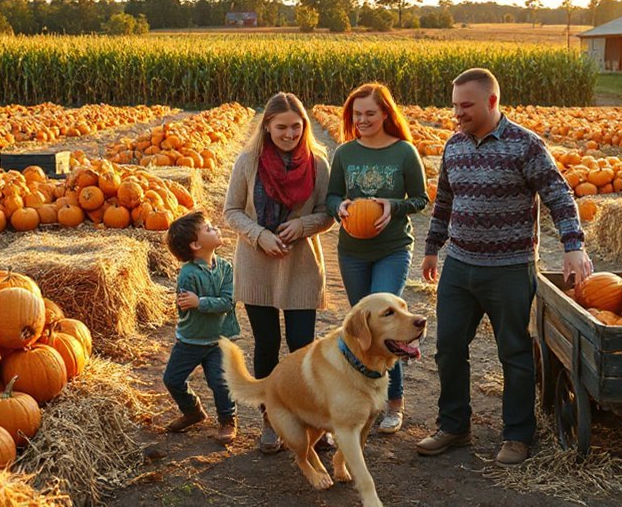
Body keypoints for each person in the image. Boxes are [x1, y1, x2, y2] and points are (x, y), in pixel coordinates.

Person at [415, 68, 593, 466]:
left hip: (510, 268)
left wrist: (573, 245)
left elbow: (559, 194)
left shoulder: (525, 145)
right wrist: (432, 247)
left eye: (466, 105)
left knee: (513, 352)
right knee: (448, 349)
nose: (457, 112)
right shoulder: (453, 146)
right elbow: (444, 201)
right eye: (455, 104)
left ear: (491, 102)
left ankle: (517, 435)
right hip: (459, 265)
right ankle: (454, 426)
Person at [223, 92, 334, 453]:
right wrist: (260, 235)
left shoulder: (318, 164)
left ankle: (312, 422)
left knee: (303, 349)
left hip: (301, 267)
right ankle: (271, 423)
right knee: (267, 346)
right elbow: (232, 211)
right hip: (258, 267)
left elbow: (327, 213)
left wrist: (302, 226)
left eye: (296, 127)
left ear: (304, 127)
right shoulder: (248, 162)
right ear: (267, 126)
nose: (289, 134)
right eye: (282, 127)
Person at [326, 83, 428, 435]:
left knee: (387, 324)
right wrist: (338, 206)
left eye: (370, 113)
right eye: (357, 114)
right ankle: (366, 397)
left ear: (386, 113)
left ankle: (394, 403)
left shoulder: (404, 152)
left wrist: (393, 206)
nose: (363, 120)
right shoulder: (344, 152)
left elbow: (420, 198)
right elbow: (332, 195)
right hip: (352, 251)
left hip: (393, 248)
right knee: (365, 329)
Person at [162, 210, 240, 445]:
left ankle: (227, 420)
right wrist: (192, 304)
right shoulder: (187, 274)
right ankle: (193, 410)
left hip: (219, 339)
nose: (215, 228)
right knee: (172, 380)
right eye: (208, 229)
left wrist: (200, 302)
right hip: (190, 340)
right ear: (196, 245)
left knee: (219, 381)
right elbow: (185, 306)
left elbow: (228, 302)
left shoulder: (225, 268)